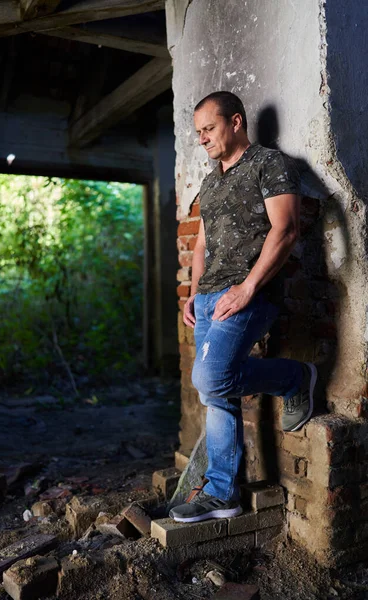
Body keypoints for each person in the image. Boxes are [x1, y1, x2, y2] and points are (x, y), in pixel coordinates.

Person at [169, 91, 317, 524]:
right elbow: (201, 244)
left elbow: (285, 229)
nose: (203, 139)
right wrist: (193, 293)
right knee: (217, 392)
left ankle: (295, 377)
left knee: (210, 377)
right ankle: (222, 495)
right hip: (210, 296)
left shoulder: (270, 164)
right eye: (198, 133)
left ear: (235, 122)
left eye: (209, 129)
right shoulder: (212, 181)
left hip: (251, 292)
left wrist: (249, 288)